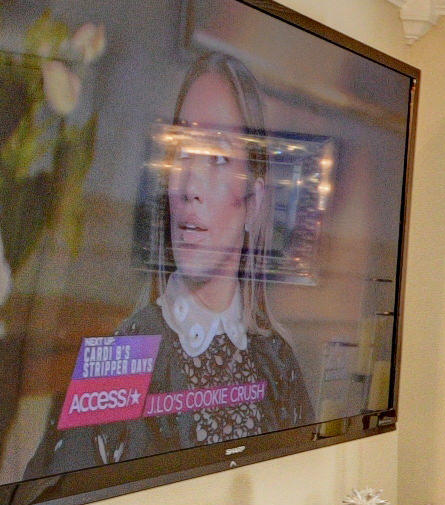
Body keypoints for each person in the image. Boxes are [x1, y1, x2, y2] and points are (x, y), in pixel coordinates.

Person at [33, 52, 317, 470]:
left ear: (254, 201)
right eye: (181, 151)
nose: (189, 186)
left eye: (218, 158)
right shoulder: (122, 354)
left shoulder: (278, 360)